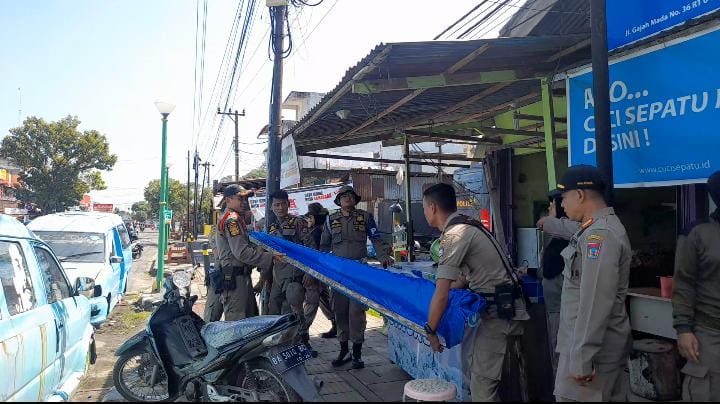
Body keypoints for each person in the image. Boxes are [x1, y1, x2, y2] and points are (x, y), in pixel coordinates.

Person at [422, 183, 528, 401]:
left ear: (432, 207)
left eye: (424, 207)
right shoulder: (469, 225)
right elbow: (461, 281)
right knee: (478, 375)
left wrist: (430, 330)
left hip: (498, 314)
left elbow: (442, 294)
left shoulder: (455, 234)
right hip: (496, 309)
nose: (424, 212)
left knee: (482, 385)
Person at [553, 165, 632, 402]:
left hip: (593, 353)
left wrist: (582, 357)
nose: (562, 205)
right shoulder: (591, 231)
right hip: (588, 346)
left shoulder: (601, 235)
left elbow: (595, 300)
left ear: (580, 195)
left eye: (564, 197)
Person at [320, 185, 392, 369]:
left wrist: (383, 257)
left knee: (357, 313)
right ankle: (343, 349)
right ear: (338, 201)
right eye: (343, 196)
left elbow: (376, 238)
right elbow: (323, 247)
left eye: (350, 195)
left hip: (359, 270)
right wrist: (321, 268)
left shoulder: (365, 217)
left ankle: (357, 353)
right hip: (338, 273)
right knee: (340, 311)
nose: (347, 198)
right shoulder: (330, 219)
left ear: (355, 199)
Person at [672, 170, 720, 402]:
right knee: (707, 392)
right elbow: (683, 282)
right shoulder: (697, 233)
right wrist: (683, 328)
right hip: (709, 334)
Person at [216, 184, 276, 321]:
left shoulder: (236, 218)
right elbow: (242, 252)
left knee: (249, 321)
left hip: (240, 277)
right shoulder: (232, 220)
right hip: (235, 279)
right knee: (238, 323)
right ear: (228, 199)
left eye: (245, 199)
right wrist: (270, 258)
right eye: (240, 199)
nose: (244, 203)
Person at [536, 189, 578, 377]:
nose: (549, 208)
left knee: (561, 357)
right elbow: (547, 270)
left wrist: (549, 223)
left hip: (563, 312)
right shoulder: (556, 239)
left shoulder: (573, 237)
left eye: (553, 205)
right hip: (554, 309)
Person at [266, 190, 308, 323]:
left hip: (294, 276)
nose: (280, 208)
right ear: (271, 207)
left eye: (283, 204)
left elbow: (310, 249)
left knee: (293, 312)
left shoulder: (298, 222)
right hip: (277, 277)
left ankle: (301, 339)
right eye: (276, 205)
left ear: (288, 204)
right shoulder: (271, 227)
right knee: (273, 310)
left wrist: (309, 274)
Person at [300, 202, 334, 357]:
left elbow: (312, 256)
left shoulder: (315, 232)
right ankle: (336, 325)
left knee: (311, 304)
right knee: (325, 299)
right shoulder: (322, 229)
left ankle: (303, 339)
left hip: (314, 274)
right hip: (321, 272)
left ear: (312, 217)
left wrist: (310, 273)